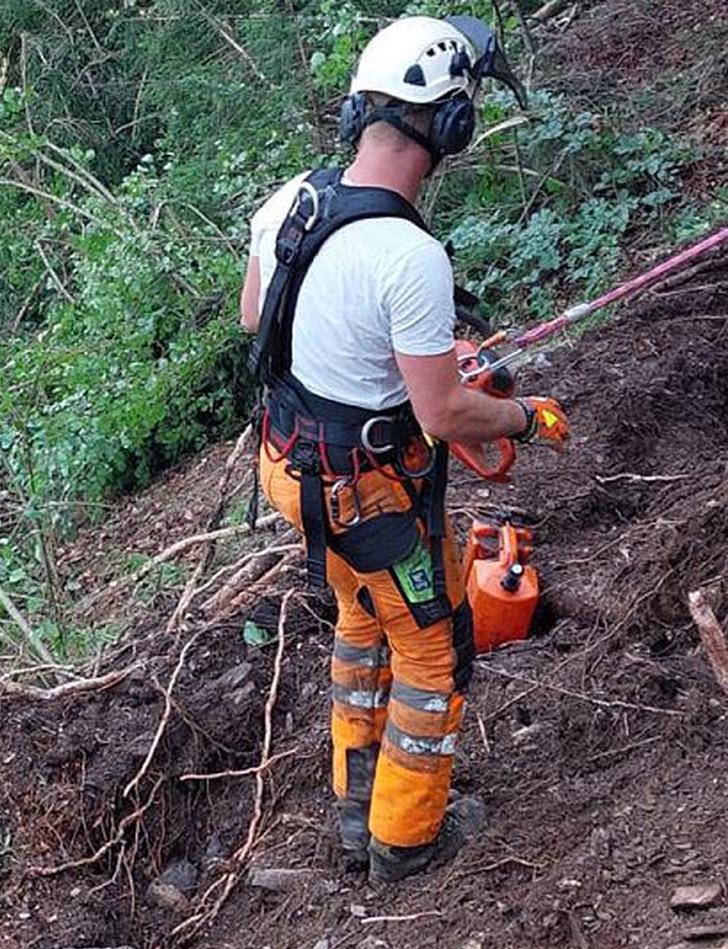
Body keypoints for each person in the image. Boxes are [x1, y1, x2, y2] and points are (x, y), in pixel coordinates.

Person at [241, 16, 570, 884]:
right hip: (367, 495)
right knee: (433, 649)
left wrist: (390, 355)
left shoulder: (292, 202)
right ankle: (405, 838)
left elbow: (258, 321)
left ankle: (357, 806)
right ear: (450, 125)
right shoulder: (409, 254)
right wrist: (527, 419)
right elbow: (448, 415)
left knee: (360, 621)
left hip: (291, 469)